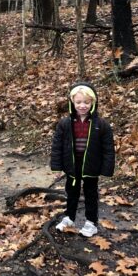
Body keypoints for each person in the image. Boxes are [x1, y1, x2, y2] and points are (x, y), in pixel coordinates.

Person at [50, 83, 115, 237]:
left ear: (93, 102)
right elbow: (57, 145)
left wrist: (106, 169)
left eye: (86, 102)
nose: (82, 106)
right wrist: (57, 167)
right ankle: (69, 217)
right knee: (71, 192)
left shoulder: (101, 125)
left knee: (91, 193)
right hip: (72, 165)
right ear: (72, 102)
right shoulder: (65, 123)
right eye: (78, 102)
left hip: (91, 166)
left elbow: (108, 149)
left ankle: (91, 222)